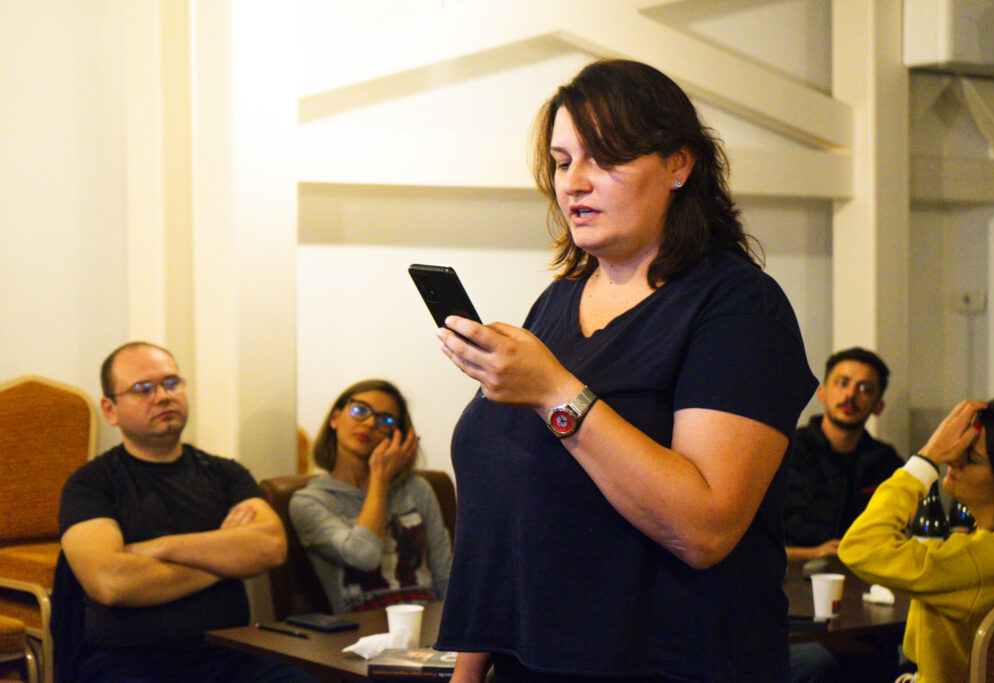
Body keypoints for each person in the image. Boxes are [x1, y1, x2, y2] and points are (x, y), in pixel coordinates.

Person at [432, 59, 817, 682]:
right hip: (529, 662)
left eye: (604, 159)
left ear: (678, 165)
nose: (574, 184)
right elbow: (505, 508)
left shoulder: (739, 307)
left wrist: (554, 392)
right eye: (562, 163)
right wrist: (467, 669)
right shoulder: (558, 303)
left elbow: (705, 528)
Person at [57, 341, 318, 682]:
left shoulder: (225, 473)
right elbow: (111, 583)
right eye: (143, 389)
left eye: (171, 383)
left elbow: (270, 547)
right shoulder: (90, 483)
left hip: (229, 656)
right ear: (110, 410)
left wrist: (158, 548)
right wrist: (227, 558)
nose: (163, 397)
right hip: (129, 662)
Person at [838, 397, 994, 683]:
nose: (952, 459)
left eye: (970, 457)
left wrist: (926, 459)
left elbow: (861, 546)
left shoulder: (984, 559)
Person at [289, 379, 451, 614]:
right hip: (363, 624)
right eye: (360, 410)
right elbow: (364, 556)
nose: (369, 423)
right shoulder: (309, 501)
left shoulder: (417, 489)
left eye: (385, 420)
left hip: (425, 616)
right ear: (335, 418)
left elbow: (444, 572)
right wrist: (379, 479)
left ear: (397, 435)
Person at [785, 347, 902, 562]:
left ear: (878, 406)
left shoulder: (886, 462)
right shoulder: (786, 450)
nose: (850, 395)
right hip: (787, 575)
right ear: (822, 393)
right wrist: (813, 554)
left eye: (865, 389)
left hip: (863, 576)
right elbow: (752, 541)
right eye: (842, 383)